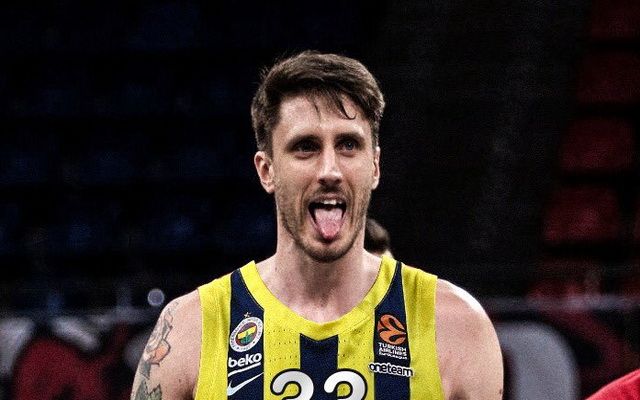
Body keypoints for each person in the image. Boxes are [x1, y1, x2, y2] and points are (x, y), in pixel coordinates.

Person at [131, 51, 503, 400]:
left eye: (348, 145)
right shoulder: (190, 330)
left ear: (374, 166)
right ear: (267, 170)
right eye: (306, 146)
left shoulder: (456, 327)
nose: (330, 170)